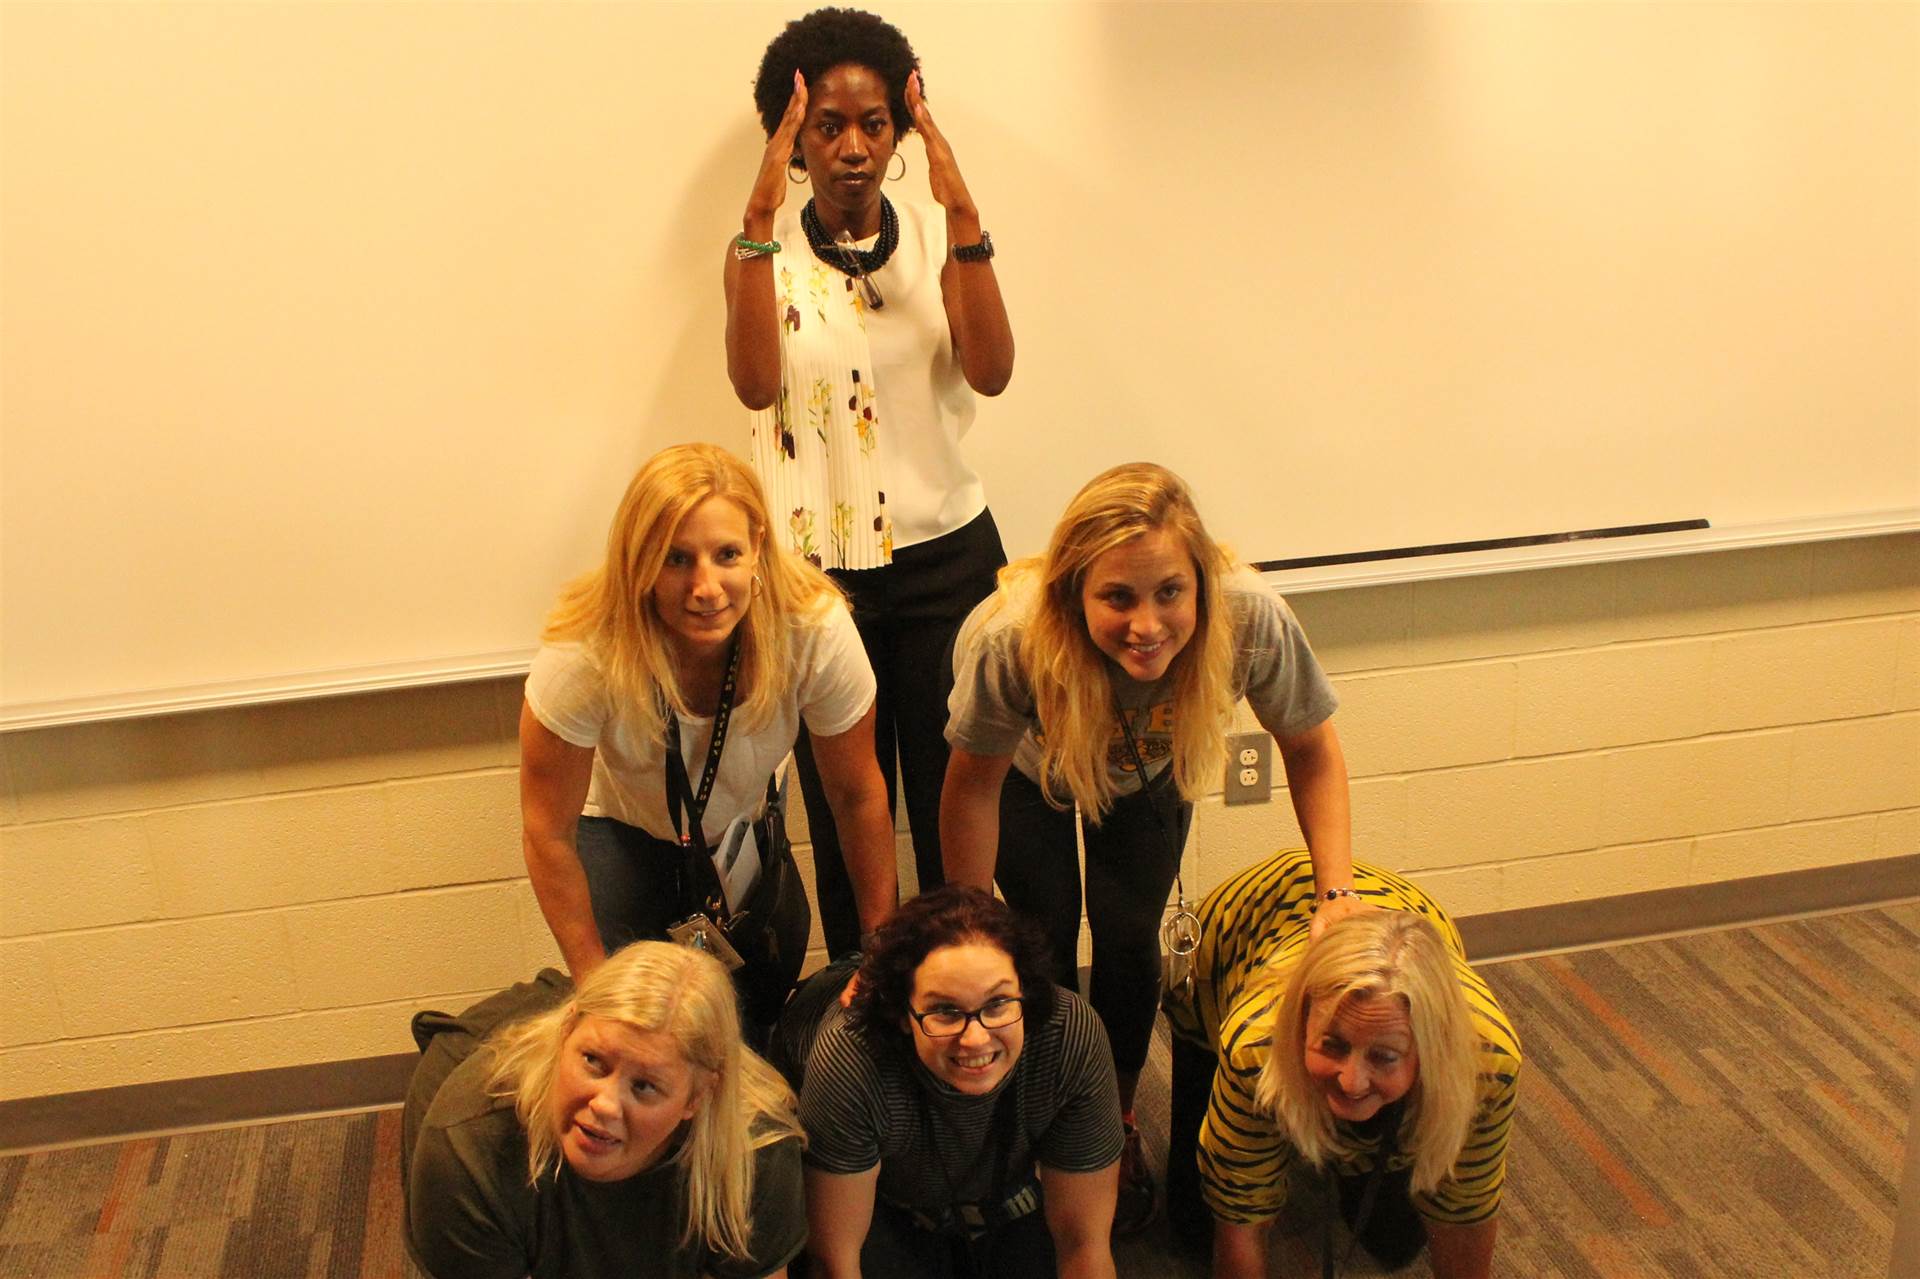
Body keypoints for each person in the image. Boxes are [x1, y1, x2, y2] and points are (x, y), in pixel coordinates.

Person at [939, 461, 1363, 1229]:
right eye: (1117, 597)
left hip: (1150, 764)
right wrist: (967, 927)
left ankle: (1117, 1120)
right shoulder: (1012, 638)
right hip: (1035, 770)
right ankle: (1047, 1121)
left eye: (1170, 591)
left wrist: (1337, 893)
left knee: (1132, 940)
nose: (1148, 624)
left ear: (1199, 581)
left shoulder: (1250, 617)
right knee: (1037, 937)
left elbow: (1312, 750)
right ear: (1076, 594)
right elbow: (969, 785)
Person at [723, 7, 1015, 959]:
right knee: (850, 818)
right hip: (819, 583)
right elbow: (756, 386)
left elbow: (992, 369)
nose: (854, 146)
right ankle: (862, 1027)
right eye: (828, 127)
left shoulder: (941, 237)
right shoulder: (760, 252)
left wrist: (962, 211)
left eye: (875, 123)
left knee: (952, 813)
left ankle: (961, 1008)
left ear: (901, 130)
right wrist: (759, 220)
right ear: (795, 139)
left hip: (948, 564)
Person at [519, 443, 897, 1012]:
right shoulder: (584, 650)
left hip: (743, 842)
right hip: (624, 833)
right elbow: (548, 833)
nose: (706, 588)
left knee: (755, 1023)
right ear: (639, 561)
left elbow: (856, 793)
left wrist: (881, 951)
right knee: (641, 1029)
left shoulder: (812, 627)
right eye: (676, 559)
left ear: (757, 549)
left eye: (726, 554)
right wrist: (593, 989)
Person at [1162, 852, 1522, 1279]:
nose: (1351, 1081)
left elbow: (1466, 1207)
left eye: (1383, 1057)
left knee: (1395, 1242)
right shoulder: (1255, 1045)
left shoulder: (1487, 1063)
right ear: (1302, 1023)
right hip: (1239, 930)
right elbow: (1238, 1210)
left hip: (1410, 909)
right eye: (1332, 1045)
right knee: (1195, 1227)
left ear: (1429, 1050)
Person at [775, 885, 1123, 1279]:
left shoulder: (1068, 1037)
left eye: (997, 1004)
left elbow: (1083, 1244)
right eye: (944, 1011)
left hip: (998, 1189)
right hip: (882, 1196)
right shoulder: (851, 1060)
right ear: (903, 1014)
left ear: (1025, 992)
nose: (975, 1038)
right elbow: (835, 1263)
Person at [403, 941, 807, 1279]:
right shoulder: (469, 1147)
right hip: (477, 1077)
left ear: (697, 1099)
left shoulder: (756, 1151)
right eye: (593, 1062)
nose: (605, 1104)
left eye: (644, 1086)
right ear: (567, 1033)